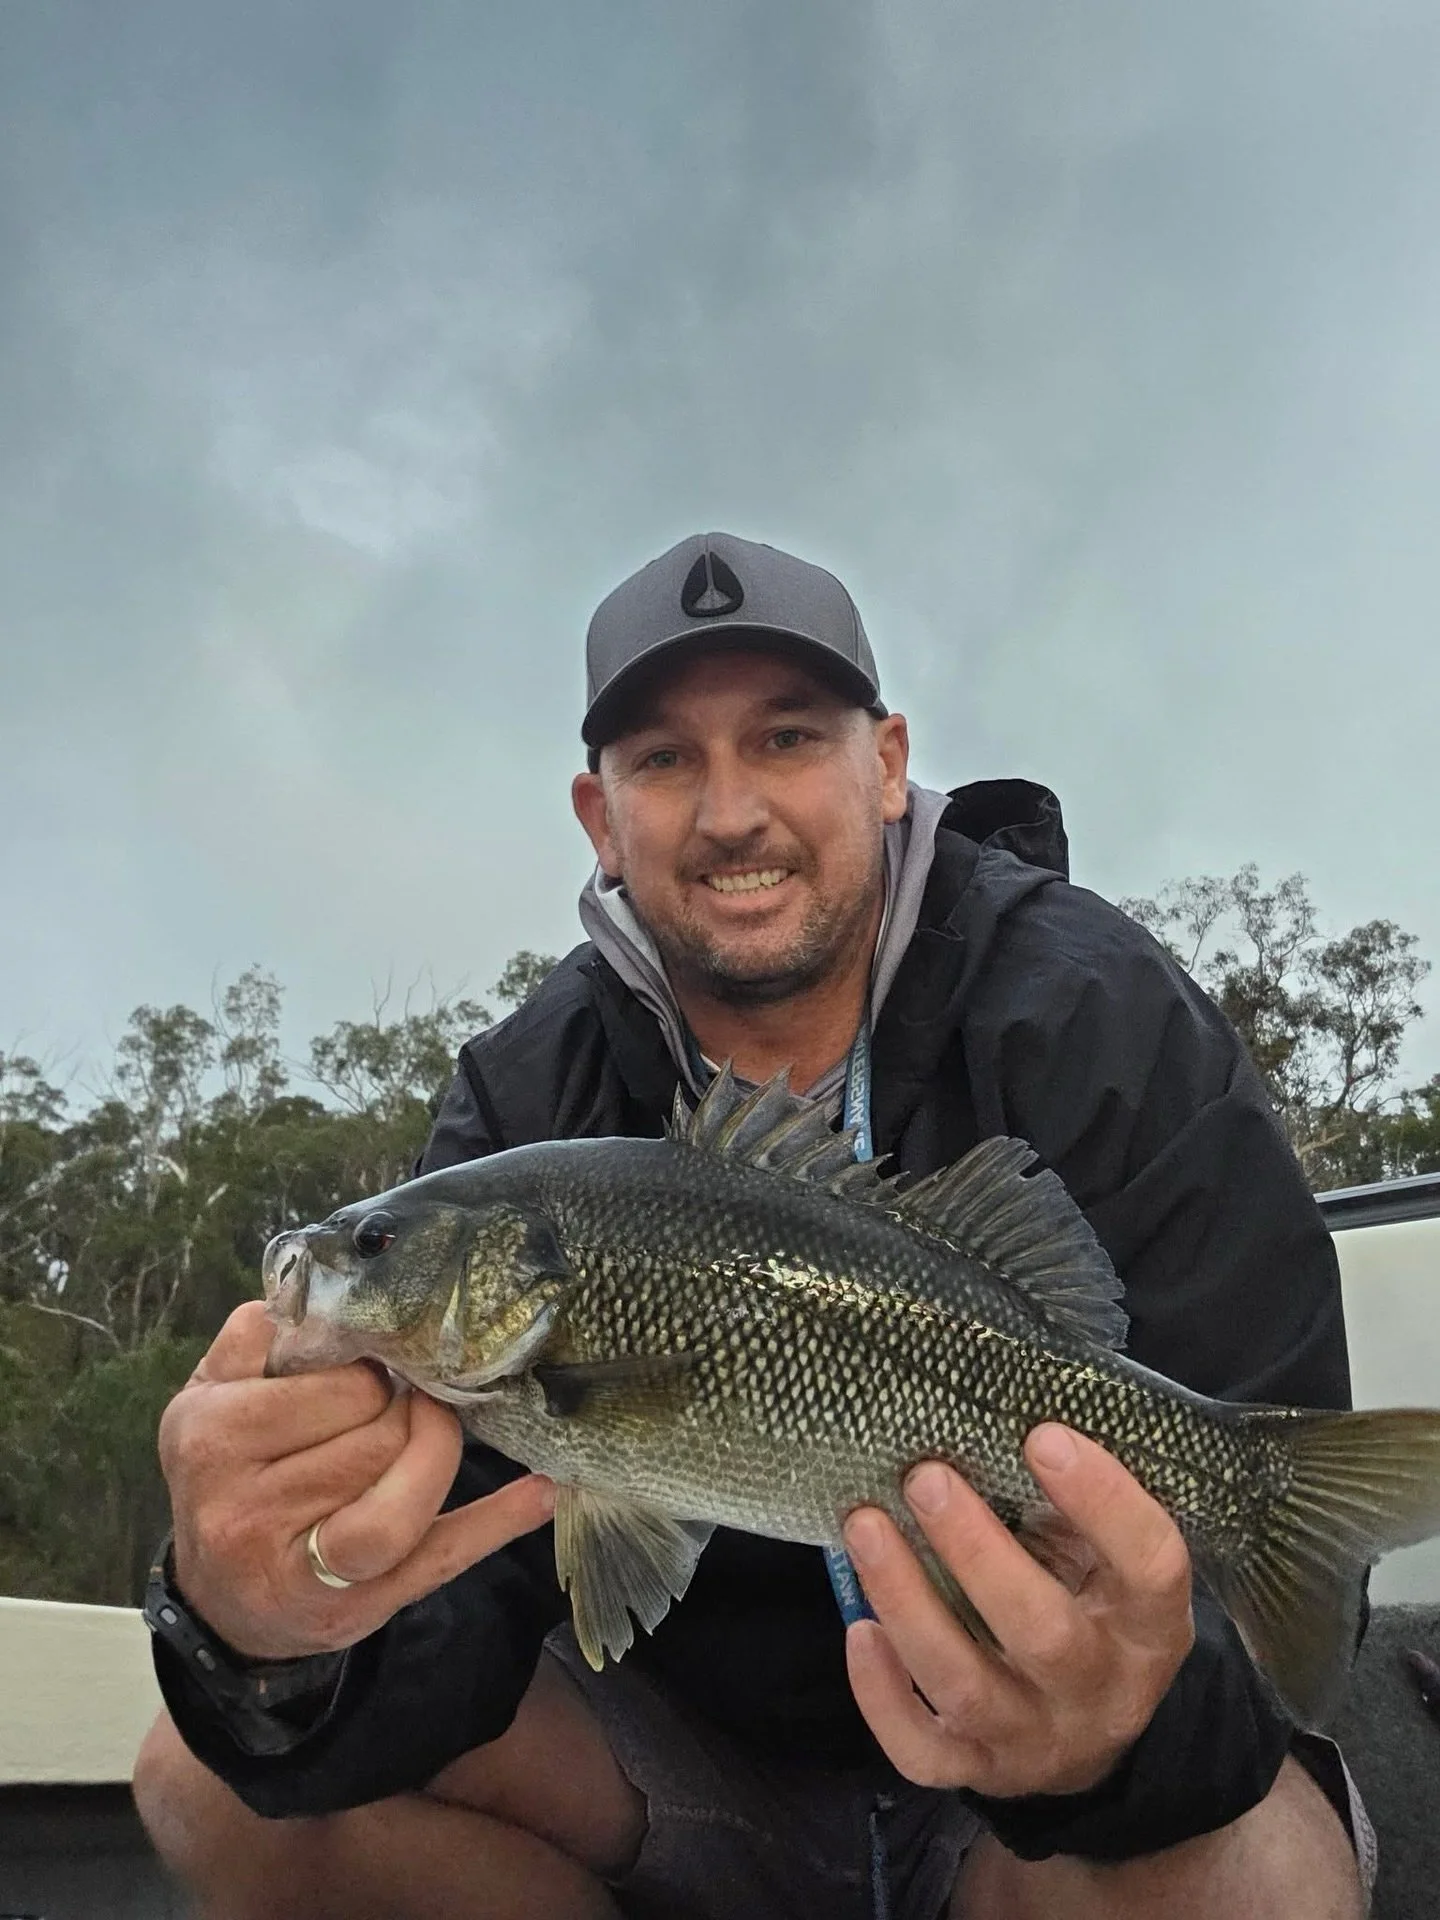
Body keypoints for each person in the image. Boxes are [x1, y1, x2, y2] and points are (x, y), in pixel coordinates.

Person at [134, 532, 1372, 1919]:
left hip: (1012, 1805)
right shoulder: (526, 1097)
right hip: (684, 1770)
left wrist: (1118, 1728)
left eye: (786, 737)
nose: (730, 812)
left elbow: (1244, 1670)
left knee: (1262, 1881)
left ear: (889, 764)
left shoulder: (1099, 1016)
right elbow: (470, 1582)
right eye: (664, 760)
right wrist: (269, 1641)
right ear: (600, 816)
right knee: (194, 1777)